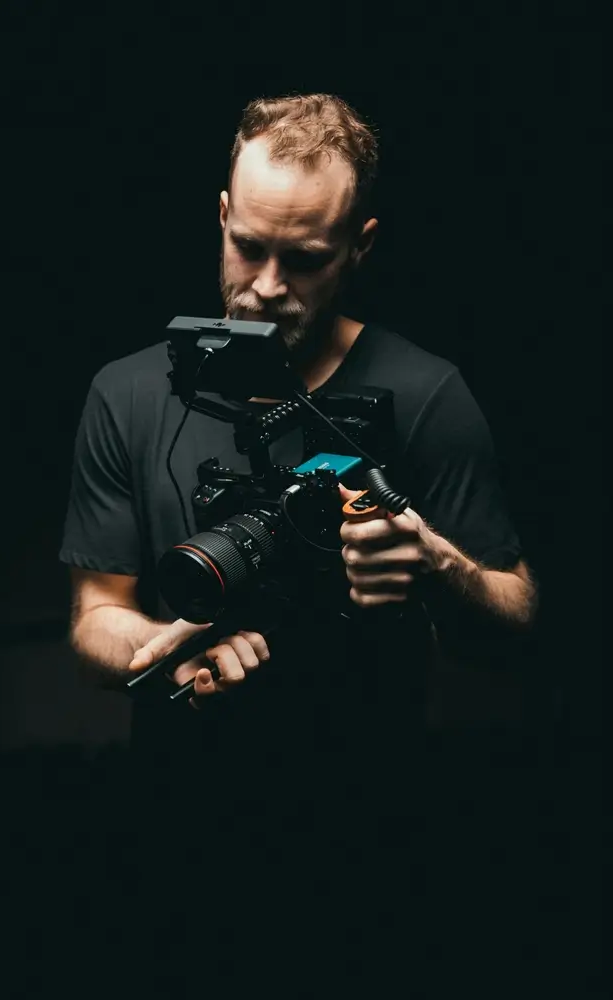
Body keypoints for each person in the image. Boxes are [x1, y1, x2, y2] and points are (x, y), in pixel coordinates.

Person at [58, 94, 537, 950]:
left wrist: (437, 563)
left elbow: (520, 614)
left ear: (360, 246)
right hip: (178, 838)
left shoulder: (426, 393)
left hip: (375, 838)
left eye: (305, 259)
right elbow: (96, 616)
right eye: (248, 246)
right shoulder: (125, 394)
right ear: (222, 216)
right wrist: (168, 646)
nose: (267, 286)